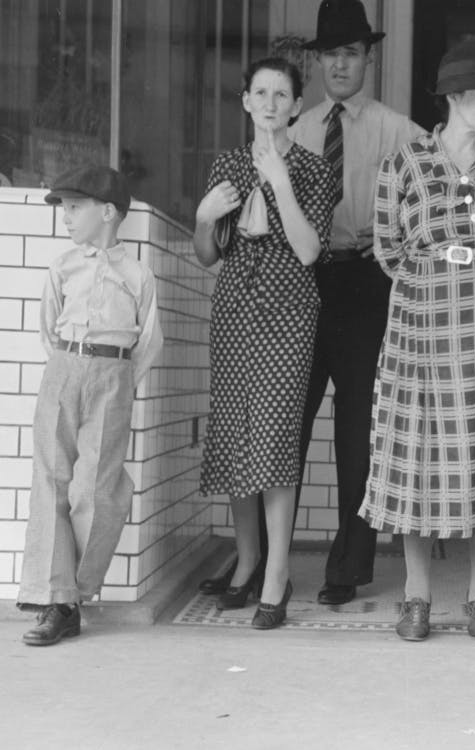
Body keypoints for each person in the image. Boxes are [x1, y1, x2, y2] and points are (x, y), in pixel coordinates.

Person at [197, 0, 425, 607]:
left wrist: (402, 251)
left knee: (356, 430)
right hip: (293, 289)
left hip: (364, 280)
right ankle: (266, 565)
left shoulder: (399, 131)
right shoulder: (291, 132)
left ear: (368, 60)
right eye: (331, 54)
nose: (341, 64)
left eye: (352, 53)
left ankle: (347, 567)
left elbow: (434, 188)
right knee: (281, 425)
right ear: (318, 63)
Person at [359, 40, 475, 642]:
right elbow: (387, 248)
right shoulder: (403, 166)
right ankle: (416, 598)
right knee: (417, 453)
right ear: (454, 97)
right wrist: (436, 281)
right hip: (420, 330)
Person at [193, 57, 336, 630]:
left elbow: (307, 251)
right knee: (234, 433)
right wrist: (204, 219)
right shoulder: (226, 165)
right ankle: (247, 559)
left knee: (274, 436)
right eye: (261, 92)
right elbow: (210, 254)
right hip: (233, 310)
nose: (272, 102)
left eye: (283, 94)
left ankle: (277, 570)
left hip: (288, 314)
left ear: (297, 106)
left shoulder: (315, 170)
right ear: (246, 102)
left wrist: (279, 182)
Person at [17, 165, 163, 645]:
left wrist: (119, 379)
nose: (66, 216)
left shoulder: (137, 274)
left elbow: (148, 341)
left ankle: (73, 592)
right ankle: (57, 603)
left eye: (74, 207)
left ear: (108, 212)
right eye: (63, 206)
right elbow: (46, 327)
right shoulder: (63, 267)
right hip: (64, 367)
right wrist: (68, 367)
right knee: (51, 479)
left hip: (113, 375)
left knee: (95, 488)